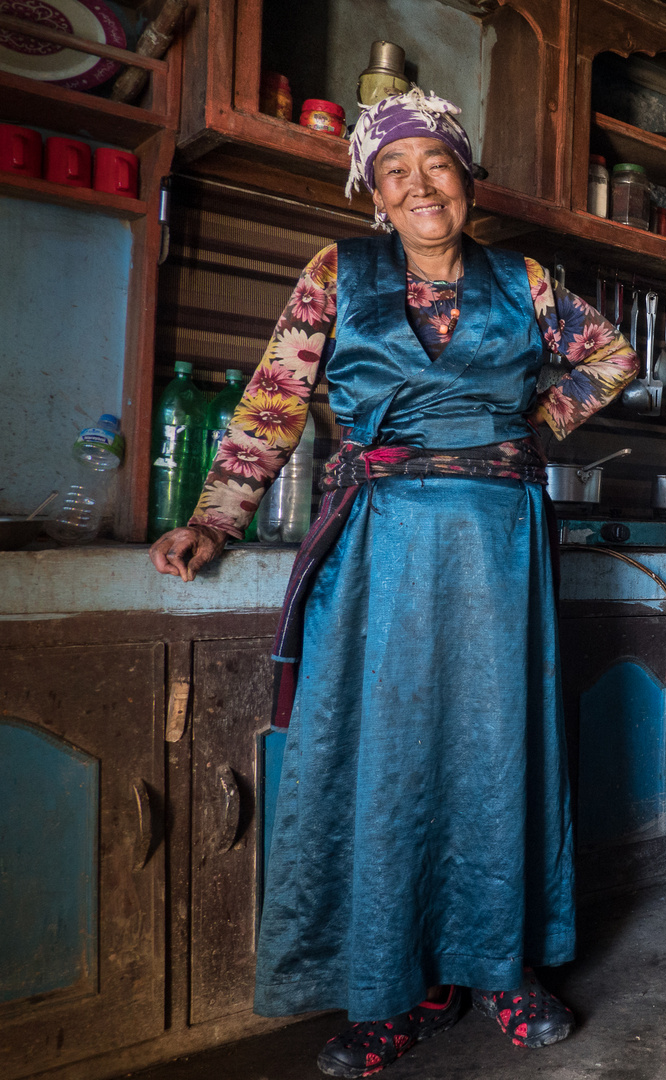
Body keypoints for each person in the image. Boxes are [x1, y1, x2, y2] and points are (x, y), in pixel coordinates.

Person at [148, 87, 637, 1078]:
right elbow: (273, 404)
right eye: (395, 173)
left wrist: (529, 430)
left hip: (499, 552)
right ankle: (392, 990)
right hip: (378, 555)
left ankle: (502, 968)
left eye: (437, 167)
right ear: (374, 194)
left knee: (498, 752)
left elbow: (613, 357)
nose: (420, 187)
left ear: (467, 179)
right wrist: (211, 519)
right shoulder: (338, 271)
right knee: (386, 761)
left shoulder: (527, 278)